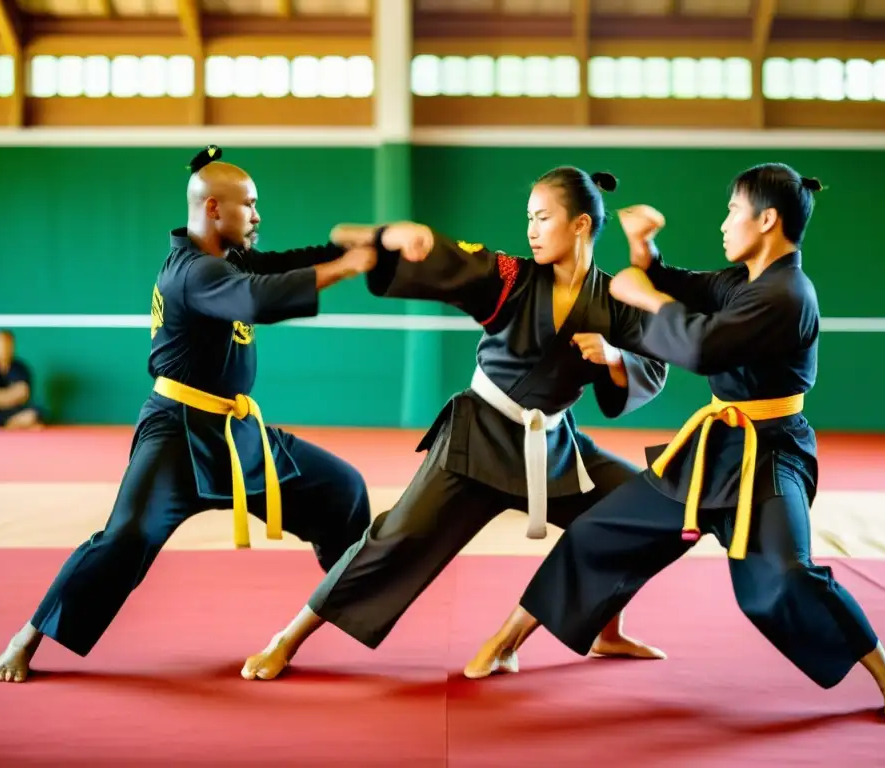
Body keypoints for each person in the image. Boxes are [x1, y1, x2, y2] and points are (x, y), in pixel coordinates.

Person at [461, 163, 885, 723]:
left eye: (733, 210)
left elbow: (703, 348)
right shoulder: (744, 281)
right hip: (711, 450)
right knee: (600, 532)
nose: (725, 223)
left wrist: (649, 298)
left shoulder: (787, 294)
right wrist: (647, 251)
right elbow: (683, 285)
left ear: (768, 220)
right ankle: (510, 639)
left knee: (784, 578)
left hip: (770, 453)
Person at [239, 167, 670, 681]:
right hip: (478, 440)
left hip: (552, 447)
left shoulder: (615, 300)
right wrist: (388, 241)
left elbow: (654, 357)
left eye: (543, 218)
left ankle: (597, 629)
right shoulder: (510, 276)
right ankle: (286, 639)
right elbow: (453, 262)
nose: (531, 230)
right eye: (528, 218)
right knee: (393, 541)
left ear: (580, 225)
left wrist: (615, 357)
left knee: (644, 510)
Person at [0, 145, 376, 683]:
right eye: (250, 205)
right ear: (214, 208)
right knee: (122, 541)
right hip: (175, 435)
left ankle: (348, 601)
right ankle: (26, 638)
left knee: (342, 489)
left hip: (236, 434)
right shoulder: (192, 274)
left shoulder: (226, 260)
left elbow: (283, 264)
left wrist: (349, 251)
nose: (259, 216)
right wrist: (349, 266)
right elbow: (259, 300)